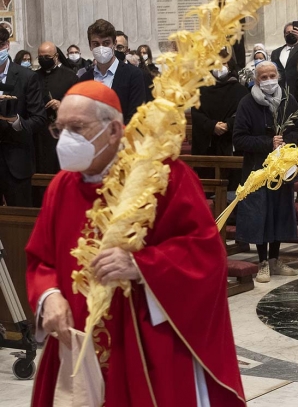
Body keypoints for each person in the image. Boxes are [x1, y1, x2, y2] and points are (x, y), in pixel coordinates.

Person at [26, 81, 246, 406]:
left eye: (77, 128)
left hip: (142, 340)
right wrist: (49, 296)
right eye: (60, 129)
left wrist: (141, 265)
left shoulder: (162, 177)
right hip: (76, 341)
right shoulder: (62, 186)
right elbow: (41, 259)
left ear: (114, 130)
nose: (67, 139)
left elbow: (205, 253)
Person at [233, 61, 298, 283]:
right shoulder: (247, 103)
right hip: (257, 169)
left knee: (279, 212)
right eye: (263, 77)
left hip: (282, 169)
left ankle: (275, 260)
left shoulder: (287, 100)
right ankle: (263, 261)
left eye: (272, 75)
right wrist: (268, 143)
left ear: (279, 76)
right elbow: (239, 138)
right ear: (256, 80)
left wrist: (285, 141)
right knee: (259, 214)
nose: (268, 80)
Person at [0, 27, 48, 207]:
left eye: (0, 45)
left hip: (17, 163)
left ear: (6, 45)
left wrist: (17, 122)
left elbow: (39, 119)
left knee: (19, 225)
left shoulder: (27, 77)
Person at [191, 57, 249, 188]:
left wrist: (229, 124)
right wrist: (212, 126)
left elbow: (243, 113)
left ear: (229, 66)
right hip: (208, 144)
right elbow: (196, 114)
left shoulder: (240, 90)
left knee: (233, 186)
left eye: (223, 63)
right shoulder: (200, 90)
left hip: (231, 144)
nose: (220, 67)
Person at [79, 19, 146, 124]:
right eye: (96, 44)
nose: (101, 48)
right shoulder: (84, 79)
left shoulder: (133, 74)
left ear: (114, 43)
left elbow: (136, 116)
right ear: (90, 46)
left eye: (106, 43)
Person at [34, 41, 78, 176]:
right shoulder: (34, 77)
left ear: (56, 56)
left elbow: (78, 104)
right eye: (40, 57)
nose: (43, 60)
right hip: (39, 136)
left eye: (47, 57)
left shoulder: (70, 76)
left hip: (62, 134)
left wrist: (61, 104)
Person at [115, 31, 154, 102]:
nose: (115, 51)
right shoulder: (100, 74)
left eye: (119, 47)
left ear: (127, 50)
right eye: (112, 47)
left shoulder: (142, 75)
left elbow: (150, 103)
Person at [270, 22, 298, 95]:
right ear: (284, 35)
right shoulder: (276, 52)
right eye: (288, 32)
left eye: (293, 32)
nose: (290, 34)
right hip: (281, 90)